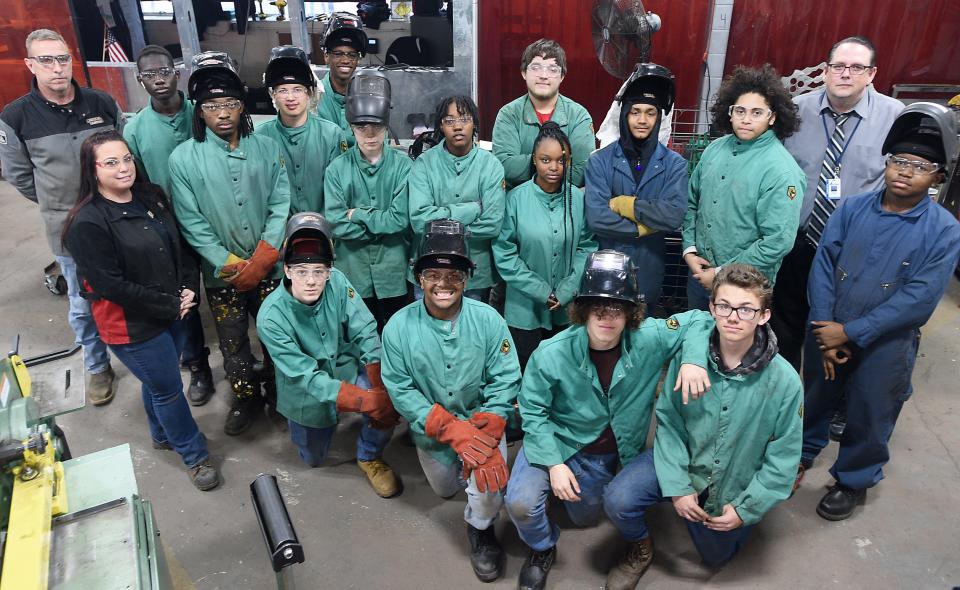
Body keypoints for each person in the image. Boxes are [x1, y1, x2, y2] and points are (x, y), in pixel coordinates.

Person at [505, 250, 712, 590]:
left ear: (632, 312)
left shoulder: (648, 338)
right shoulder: (551, 353)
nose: (607, 317)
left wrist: (692, 360)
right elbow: (532, 411)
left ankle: (568, 489)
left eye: (617, 307)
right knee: (521, 504)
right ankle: (541, 548)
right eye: (598, 306)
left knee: (584, 515)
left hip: (601, 455)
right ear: (583, 309)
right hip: (556, 439)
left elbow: (699, 320)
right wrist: (555, 464)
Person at [798, 103, 960, 521]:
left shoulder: (943, 230)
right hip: (827, 326)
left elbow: (920, 299)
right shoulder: (850, 209)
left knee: (872, 409)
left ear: (938, 177)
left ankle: (853, 479)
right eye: (900, 161)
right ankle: (800, 452)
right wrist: (823, 327)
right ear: (887, 164)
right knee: (815, 396)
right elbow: (824, 265)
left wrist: (848, 333)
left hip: (886, 341)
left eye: (921, 166)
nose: (906, 171)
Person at [62, 130, 220, 491]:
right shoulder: (87, 224)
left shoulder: (150, 196)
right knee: (167, 388)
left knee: (158, 379)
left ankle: (161, 433)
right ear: (93, 169)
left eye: (127, 158)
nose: (123, 168)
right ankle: (194, 455)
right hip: (132, 327)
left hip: (173, 310)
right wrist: (169, 303)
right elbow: (110, 285)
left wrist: (186, 288)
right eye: (111, 162)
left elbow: (178, 245)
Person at [381, 219, 521, 583]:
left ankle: (481, 529)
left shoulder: (489, 320)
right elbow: (398, 385)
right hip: (434, 432)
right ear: (418, 278)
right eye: (432, 274)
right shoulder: (398, 326)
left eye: (454, 275)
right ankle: (455, 466)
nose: (443, 284)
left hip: (481, 424)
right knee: (445, 489)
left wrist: (490, 427)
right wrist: (446, 428)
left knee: (488, 490)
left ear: (467, 278)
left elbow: (506, 376)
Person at [169, 51, 291, 436]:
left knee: (275, 336)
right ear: (199, 110)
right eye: (212, 106)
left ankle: (279, 396)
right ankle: (246, 398)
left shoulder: (268, 149)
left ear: (242, 107)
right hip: (223, 276)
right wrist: (231, 264)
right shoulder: (183, 159)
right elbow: (191, 222)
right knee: (233, 344)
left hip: (269, 268)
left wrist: (265, 255)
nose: (222, 113)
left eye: (230, 104)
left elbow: (280, 203)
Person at [0, 28, 124, 405]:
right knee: (82, 303)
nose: (57, 68)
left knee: (132, 286)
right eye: (46, 60)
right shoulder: (17, 117)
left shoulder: (101, 103)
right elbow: (18, 175)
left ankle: (144, 350)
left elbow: (123, 150)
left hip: (116, 219)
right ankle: (98, 367)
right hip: (68, 229)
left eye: (62, 59)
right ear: (30, 65)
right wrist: (58, 203)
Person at [655, 264, 802, 569]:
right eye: (724, 306)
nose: (733, 317)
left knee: (716, 556)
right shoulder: (689, 364)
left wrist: (747, 509)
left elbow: (784, 456)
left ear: (764, 315)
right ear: (711, 308)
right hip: (689, 464)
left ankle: (740, 516)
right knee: (622, 498)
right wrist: (678, 486)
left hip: (737, 481)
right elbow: (669, 424)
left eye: (746, 309)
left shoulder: (785, 382)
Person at [773, 36, 904, 373]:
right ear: (827, 70)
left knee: (839, 329)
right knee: (786, 323)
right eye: (839, 66)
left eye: (857, 67)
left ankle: (828, 406)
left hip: (855, 248)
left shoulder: (894, 116)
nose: (846, 73)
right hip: (797, 244)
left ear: (872, 73)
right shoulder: (796, 111)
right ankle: (780, 397)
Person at [257, 213, 402, 497]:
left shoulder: (337, 281)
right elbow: (305, 376)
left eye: (319, 271)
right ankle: (317, 437)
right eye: (301, 272)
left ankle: (369, 455)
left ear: (329, 269)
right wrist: (362, 400)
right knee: (313, 457)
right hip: (305, 394)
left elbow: (365, 328)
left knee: (387, 404)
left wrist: (379, 385)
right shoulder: (271, 318)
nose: (311, 281)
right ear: (286, 270)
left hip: (345, 367)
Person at [124, 44, 215, 405]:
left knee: (230, 289)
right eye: (149, 74)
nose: (158, 79)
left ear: (178, 72)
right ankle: (197, 366)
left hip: (215, 221)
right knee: (184, 301)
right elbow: (140, 184)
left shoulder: (203, 112)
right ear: (139, 79)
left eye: (164, 71)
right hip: (172, 229)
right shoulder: (135, 131)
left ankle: (245, 356)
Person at [682, 65, 806, 310]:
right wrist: (690, 250)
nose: (746, 119)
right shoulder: (714, 149)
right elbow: (691, 201)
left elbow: (777, 241)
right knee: (695, 339)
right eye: (740, 110)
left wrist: (719, 273)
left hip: (745, 288)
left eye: (757, 112)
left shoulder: (781, 170)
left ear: (772, 117)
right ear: (730, 112)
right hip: (699, 276)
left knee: (733, 347)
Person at [585, 63, 688, 314]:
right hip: (607, 264)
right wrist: (644, 228)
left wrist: (627, 205)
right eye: (635, 112)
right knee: (605, 325)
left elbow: (674, 214)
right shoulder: (599, 161)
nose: (642, 120)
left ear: (659, 117)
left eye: (650, 113)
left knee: (644, 330)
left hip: (650, 266)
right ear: (624, 115)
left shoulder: (675, 164)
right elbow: (597, 218)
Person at [493, 122, 597, 370]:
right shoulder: (515, 199)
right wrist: (541, 290)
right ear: (534, 160)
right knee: (526, 372)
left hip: (567, 307)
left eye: (561, 161)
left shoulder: (578, 199)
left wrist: (566, 289)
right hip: (524, 309)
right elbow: (505, 253)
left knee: (563, 373)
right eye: (545, 159)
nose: (554, 167)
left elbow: (587, 246)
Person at [324, 72, 412, 333]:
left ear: (387, 125)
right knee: (359, 338)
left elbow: (401, 219)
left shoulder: (404, 168)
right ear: (351, 126)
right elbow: (337, 224)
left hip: (393, 273)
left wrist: (358, 215)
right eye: (362, 127)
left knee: (398, 334)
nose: (370, 134)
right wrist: (380, 223)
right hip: (354, 273)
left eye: (377, 126)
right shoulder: (337, 170)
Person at [408, 96, 506, 303]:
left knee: (473, 332)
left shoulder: (491, 166)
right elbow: (419, 221)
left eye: (464, 119)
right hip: (429, 269)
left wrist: (441, 225)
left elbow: (492, 224)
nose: (458, 127)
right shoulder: (424, 164)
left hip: (475, 273)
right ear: (441, 126)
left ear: (475, 124)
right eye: (449, 121)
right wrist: (471, 210)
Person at [492, 38, 595, 189]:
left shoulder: (579, 115)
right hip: (519, 202)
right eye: (536, 67)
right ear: (523, 73)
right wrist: (556, 163)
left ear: (562, 77)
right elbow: (504, 165)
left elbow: (582, 171)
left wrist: (537, 164)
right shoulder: (508, 114)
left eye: (552, 69)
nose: (543, 75)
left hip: (565, 202)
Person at [258, 45, 346, 217]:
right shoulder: (260, 137)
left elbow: (339, 191)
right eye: (282, 91)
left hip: (326, 229)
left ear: (309, 93)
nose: (290, 98)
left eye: (297, 90)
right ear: (273, 95)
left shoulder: (331, 135)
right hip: (279, 231)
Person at [317, 12, 368, 147]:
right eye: (338, 54)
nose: (345, 60)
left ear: (358, 59)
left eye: (352, 54)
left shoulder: (368, 97)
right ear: (326, 56)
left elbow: (379, 142)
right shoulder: (312, 97)